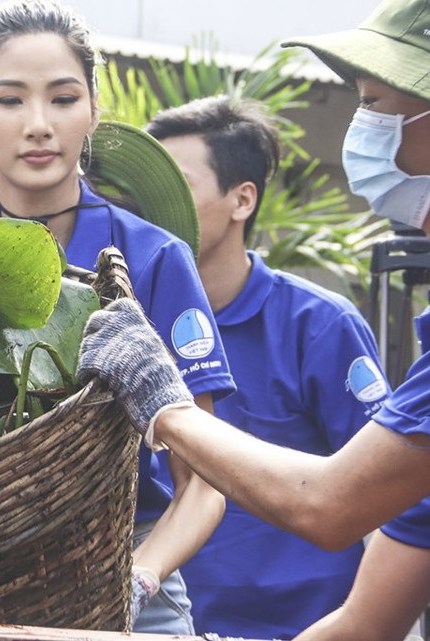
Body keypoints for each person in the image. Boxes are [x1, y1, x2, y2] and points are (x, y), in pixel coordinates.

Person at [0, 0, 236, 633]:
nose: (39, 124)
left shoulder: (153, 258)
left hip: (119, 557)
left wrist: (140, 575)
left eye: (62, 99)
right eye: (10, 100)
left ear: (93, 110)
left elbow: (206, 481)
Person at [78, 0, 430, 638]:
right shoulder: (119, 317)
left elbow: (337, 503)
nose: (363, 126)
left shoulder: (316, 326)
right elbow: (371, 620)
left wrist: (165, 401)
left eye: (377, 104)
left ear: (243, 199)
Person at [145, 94, 389, 639]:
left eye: (176, 185)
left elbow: (390, 501)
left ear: (242, 200)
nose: (150, 206)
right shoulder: (122, 330)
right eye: (142, 189)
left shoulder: (320, 326)